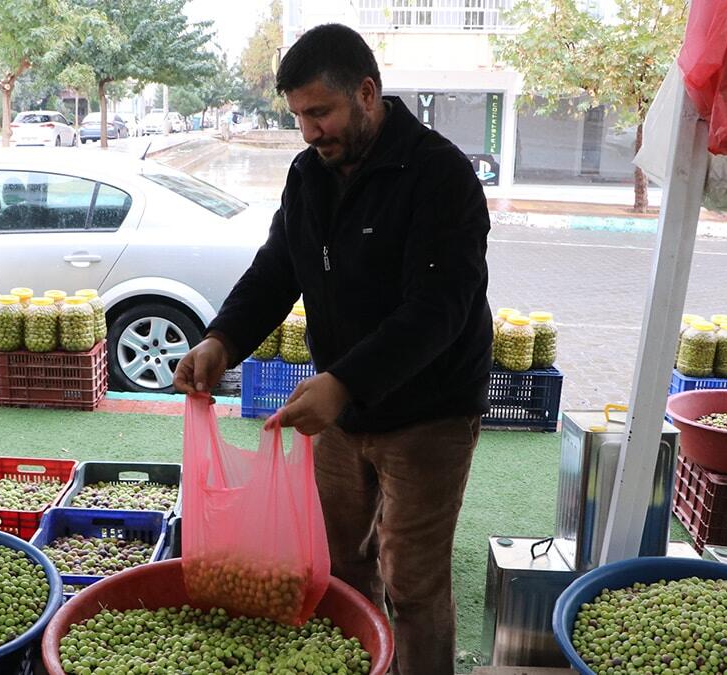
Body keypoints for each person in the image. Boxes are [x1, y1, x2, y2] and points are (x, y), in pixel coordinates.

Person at [174, 24, 492, 675]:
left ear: (366, 93)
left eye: (320, 112)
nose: (309, 131)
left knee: (414, 583)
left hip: (429, 414)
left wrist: (344, 381)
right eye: (299, 116)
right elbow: (277, 268)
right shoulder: (308, 175)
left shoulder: (439, 174)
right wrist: (222, 339)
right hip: (342, 413)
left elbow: (439, 308)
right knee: (340, 563)